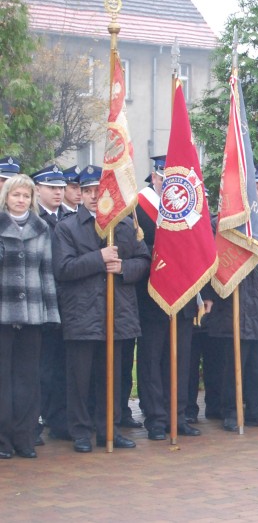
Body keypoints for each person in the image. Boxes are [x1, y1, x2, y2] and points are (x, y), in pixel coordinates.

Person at [53, 166, 151, 452]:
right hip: (82, 315)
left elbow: (143, 261)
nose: (95, 196)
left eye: (99, 190)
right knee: (80, 380)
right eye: (88, 191)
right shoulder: (66, 228)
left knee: (113, 378)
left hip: (118, 314)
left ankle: (109, 428)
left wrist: (123, 267)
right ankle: (81, 432)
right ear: (80, 194)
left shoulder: (124, 226)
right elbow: (63, 268)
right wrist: (99, 258)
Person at [207, 202, 258, 431]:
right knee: (231, 367)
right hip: (230, 310)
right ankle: (231, 412)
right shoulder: (219, 226)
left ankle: (256, 410)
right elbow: (208, 266)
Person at [135, 156, 201, 440]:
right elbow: (134, 247)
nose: (171, 184)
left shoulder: (190, 207)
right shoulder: (138, 207)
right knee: (152, 360)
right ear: (155, 177)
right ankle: (156, 419)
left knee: (181, 360)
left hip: (184, 296)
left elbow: (201, 250)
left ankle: (179, 415)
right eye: (166, 178)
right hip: (152, 296)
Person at [0, 174, 61, 459]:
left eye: (25, 196)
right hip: (3, 313)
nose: (21, 200)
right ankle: (2, 439)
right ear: (6, 198)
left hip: (34, 313)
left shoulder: (41, 229)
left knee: (28, 378)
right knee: (4, 379)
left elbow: (47, 273)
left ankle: (24, 437)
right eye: (16, 195)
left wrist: (50, 313)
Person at [30, 166, 73, 443]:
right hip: (42, 302)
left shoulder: (70, 218)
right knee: (40, 368)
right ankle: (36, 418)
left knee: (61, 365)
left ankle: (59, 419)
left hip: (68, 304)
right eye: (51, 188)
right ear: (38, 190)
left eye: (60, 188)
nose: (58, 192)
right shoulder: (33, 220)